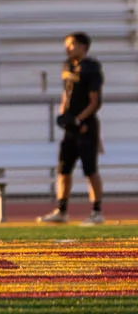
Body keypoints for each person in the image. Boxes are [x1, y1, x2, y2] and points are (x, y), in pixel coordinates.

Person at [39, 32, 104, 225]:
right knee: (63, 170)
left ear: (83, 46)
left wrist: (78, 119)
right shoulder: (68, 66)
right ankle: (62, 210)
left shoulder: (91, 68)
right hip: (71, 128)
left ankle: (96, 211)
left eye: (71, 44)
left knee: (90, 170)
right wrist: (63, 115)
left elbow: (95, 102)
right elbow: (66, 94)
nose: (67, 48)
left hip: (85, 127)